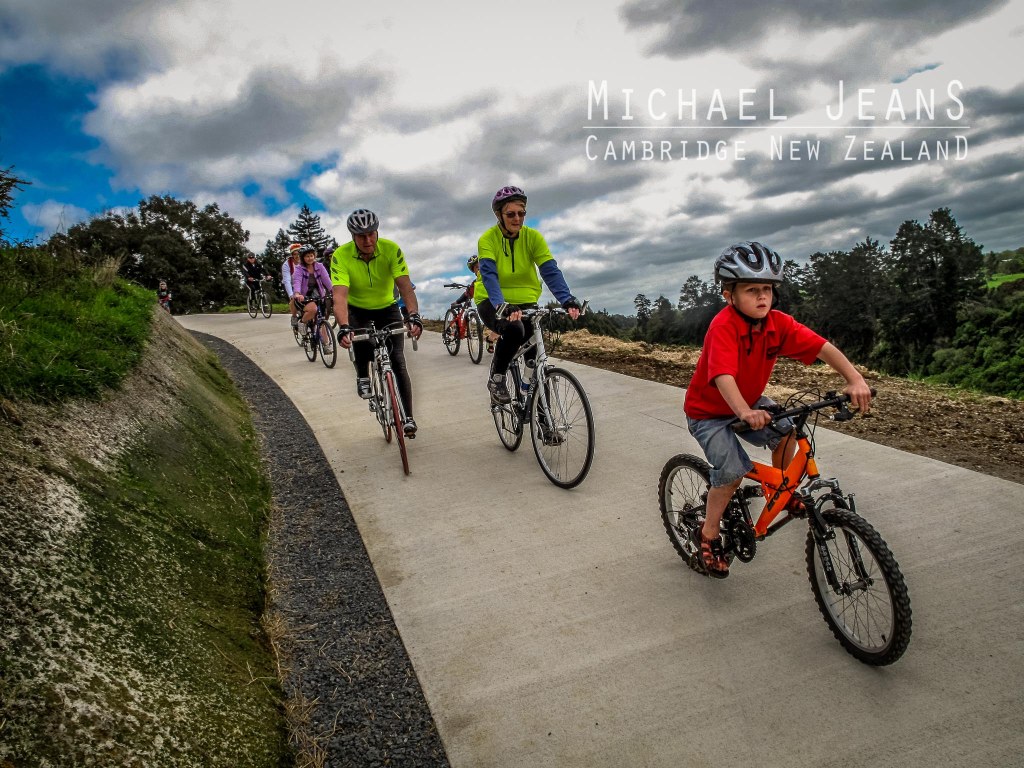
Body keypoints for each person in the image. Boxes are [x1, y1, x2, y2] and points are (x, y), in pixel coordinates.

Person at [683, 241, 873, 578]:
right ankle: (709, 534)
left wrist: (854, 379)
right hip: (709, 412)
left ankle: (781, 492)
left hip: (749, 403)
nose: (762, 297)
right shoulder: (724, 326)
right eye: (752, 289)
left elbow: (822, 347)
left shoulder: (777, 324)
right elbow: (723, 376)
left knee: (790, 434)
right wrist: (743, 411)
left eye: (767, 289)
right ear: (729, 294)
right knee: (731, 472)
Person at [476, 185, 581, 403]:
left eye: (521, 213)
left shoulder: (533, 237)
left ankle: (544, 423)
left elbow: (550, 270)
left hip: (526, 301)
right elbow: (489, 275)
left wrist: (566, 298)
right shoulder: (487, 240)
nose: (517, 218)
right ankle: (497, 378)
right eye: (511, 214)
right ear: (499, 215)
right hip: (491, 300)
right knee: (514, 330)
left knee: (535, 363)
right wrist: (500, 304)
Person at [331, 209, 423, 437]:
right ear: (353, 236)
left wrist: (413, 315)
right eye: (361, 236)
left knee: (398, 361)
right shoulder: (340, 256)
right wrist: (343, 326)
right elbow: (340, 296)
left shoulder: (391, 250)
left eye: (372, 233)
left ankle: (408, 418)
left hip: (387, 308)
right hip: (358, 309)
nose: (368, 240)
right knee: (360, 340)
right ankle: (363, 375)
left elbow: (405, 286)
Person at [292, 245, 333, 338]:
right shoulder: (299, 269)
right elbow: (297, 281)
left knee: (321, 320)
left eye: (311, 255)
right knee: (313, 309)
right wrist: (297, 293)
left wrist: (333, 291)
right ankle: (302, 322)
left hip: (318, 294)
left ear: (314, 256)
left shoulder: (320, 266)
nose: (310, 258)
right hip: (304, 296)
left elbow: (327, 280)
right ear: (303, 258)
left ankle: (326, 345)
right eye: (307, 256)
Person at [282, 243, 303, 328]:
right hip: (291, 284)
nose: (297, 256)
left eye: (299, 254)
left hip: (303, 283)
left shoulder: (305, 260)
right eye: (295, 254)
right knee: (294, 301)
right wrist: (291, 295)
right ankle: (294, 316)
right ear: (292, 255)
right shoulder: (287, 265)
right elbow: (287, 280)